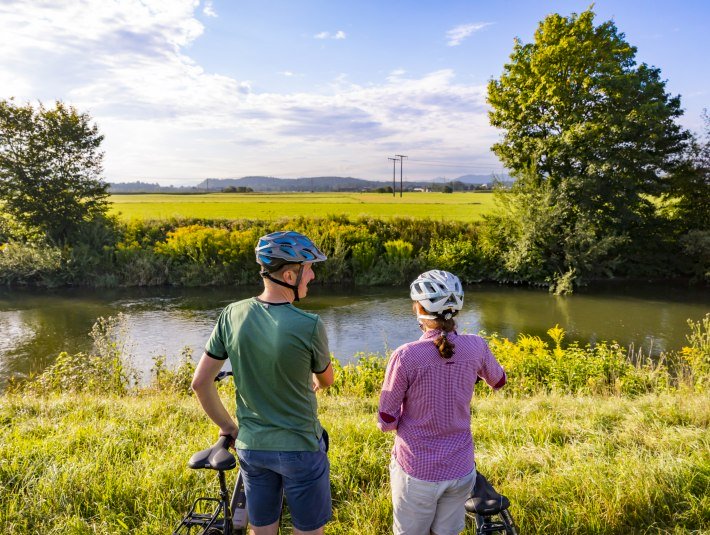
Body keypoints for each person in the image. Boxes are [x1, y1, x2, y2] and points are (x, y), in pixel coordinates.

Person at [191, 230, 335, 535]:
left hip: (252, 448)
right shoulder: (310, 325)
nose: (312, 276)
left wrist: (229, 428)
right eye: (308, 269)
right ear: (289, 274)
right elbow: (327, 379)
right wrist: (317, 381)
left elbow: (201, 382)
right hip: (301, 447)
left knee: (262, 529)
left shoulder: (232, 314)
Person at [378, 269, 506, 535]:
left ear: (418, 308)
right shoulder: (476, 346)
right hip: (461, 469)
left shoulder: (406, 356)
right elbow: (499, 380)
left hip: (417, 471)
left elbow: (387, 420)